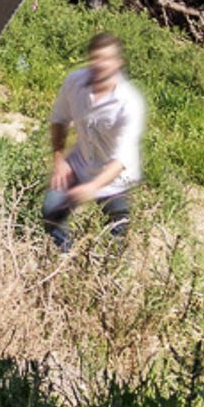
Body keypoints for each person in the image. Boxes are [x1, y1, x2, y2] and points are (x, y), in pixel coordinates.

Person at [43, 29, 143, 252]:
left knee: (117, 231)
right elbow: (59, 120)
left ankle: (106, 277)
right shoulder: (75, 83)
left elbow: (120, 160)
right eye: (96, 58)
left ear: (118, 62)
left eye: (106, 59)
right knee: (52, 208)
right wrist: (59, 160)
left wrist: (92, 188)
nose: (100, 64)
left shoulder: (129, 102)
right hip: (81, 162)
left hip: (116, 175)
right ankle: (61, 259)